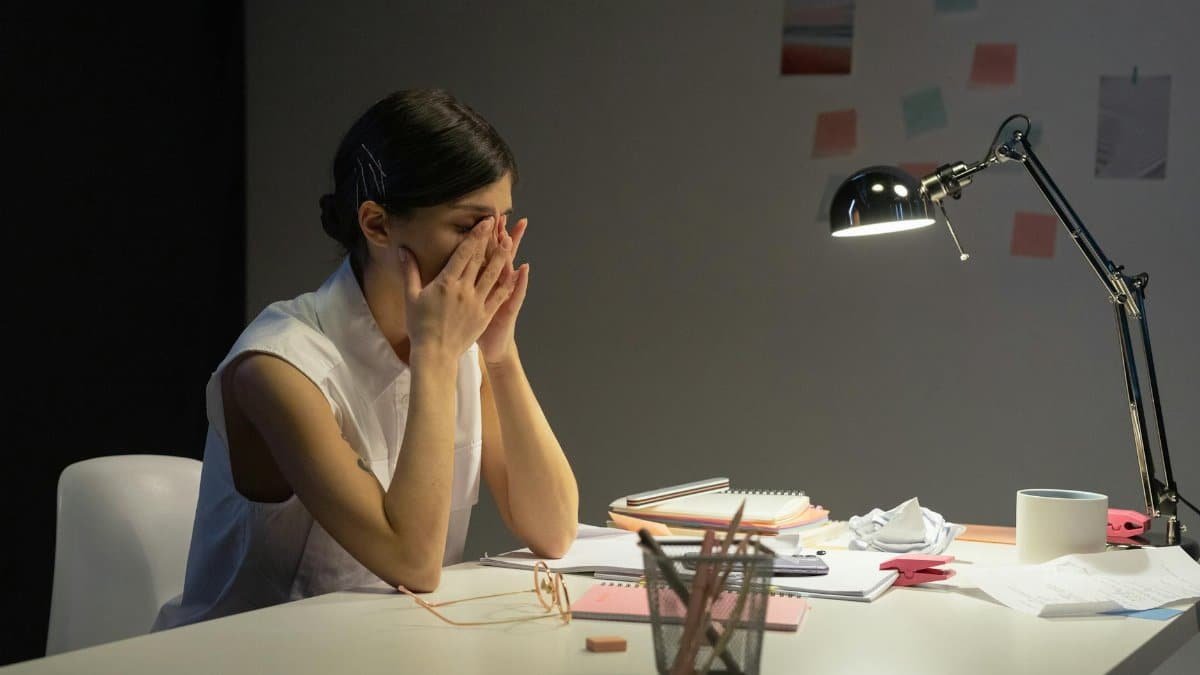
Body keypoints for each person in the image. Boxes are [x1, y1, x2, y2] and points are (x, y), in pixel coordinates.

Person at [153, 88, 579, 630]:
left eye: (502, 224)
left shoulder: (459, 347)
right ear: (377, 225)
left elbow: (554, 527)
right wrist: (436, 356)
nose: (493, 249)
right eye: (468, 226)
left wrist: (500, 353)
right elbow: (413, 563)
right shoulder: (277, 365)